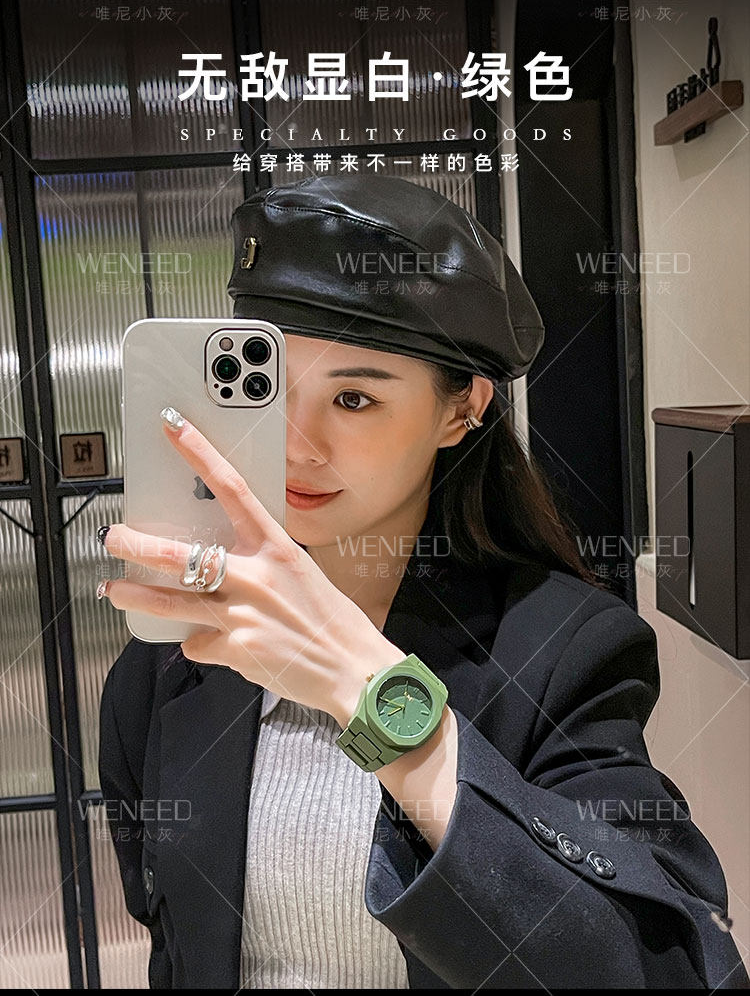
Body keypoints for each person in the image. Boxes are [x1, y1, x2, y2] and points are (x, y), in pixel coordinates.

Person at [98, 174, 749, 989]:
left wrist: (370, 693)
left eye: (354, 397)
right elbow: (175, 945)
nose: (298, 444)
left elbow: (665, 967)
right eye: (267, 388)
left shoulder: (561, 651)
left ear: (460, 408)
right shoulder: (167, 664)